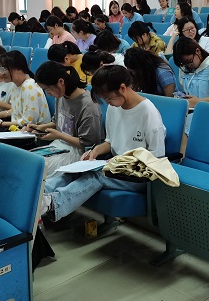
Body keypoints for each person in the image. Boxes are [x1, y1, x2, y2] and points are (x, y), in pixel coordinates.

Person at [41, 65, 165, 222]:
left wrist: (121, 162)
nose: (108, 103)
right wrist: (95, 151)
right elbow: (110, 142)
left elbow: (156, 159)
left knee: (97, 176)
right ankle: (40, 192)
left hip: (139, 174)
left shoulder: (148, 113)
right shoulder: (115, 107)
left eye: (108, 98)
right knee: (74, 170)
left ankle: (52, 203)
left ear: (122, 88)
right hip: (115, 166)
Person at [26, 60, 103, 179]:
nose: (48, 93)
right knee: (27, 161)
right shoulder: (61, 95)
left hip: (79, 153)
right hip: (59, 146)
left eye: (47, 89)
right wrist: (40, 128)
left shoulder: (88, 105)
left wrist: (59, 135)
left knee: (37, 171)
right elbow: (57, 122)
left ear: (61, 82)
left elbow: (88, 144)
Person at [0, 51, 51, 128]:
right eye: (1, 69)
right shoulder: (15, 85)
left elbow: (28, 122)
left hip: (33, 133)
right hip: (17, 129)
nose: (1, 73)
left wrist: (1, 124)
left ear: (18, 68)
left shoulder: (29, 87)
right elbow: (16, 111)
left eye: (5, 69)